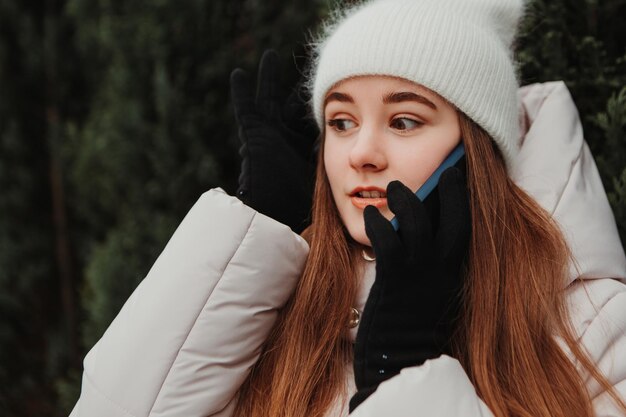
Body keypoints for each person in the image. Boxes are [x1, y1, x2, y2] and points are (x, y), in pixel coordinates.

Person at [69, 0, 626, 416]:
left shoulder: (596, 326)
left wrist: (406, 377)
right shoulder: (278, 311)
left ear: (475, 155)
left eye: (404, 120)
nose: (360, 153)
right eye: (341, 122)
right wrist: (248, 236)